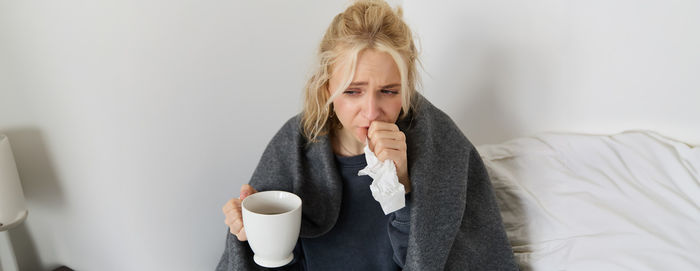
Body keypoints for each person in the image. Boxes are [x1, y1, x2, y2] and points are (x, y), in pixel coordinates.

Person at [217, 0, 517, 270]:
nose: (371, 111)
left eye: (388, 91)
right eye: (352, 91)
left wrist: (403, 186)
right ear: (327, 90)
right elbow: (266, 262)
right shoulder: (295, 147)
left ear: (407, 89)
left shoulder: (440, 143)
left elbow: (438, 260)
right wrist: (252, 231)